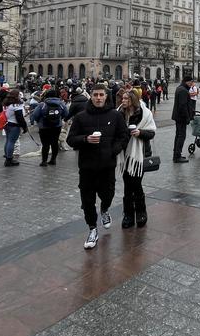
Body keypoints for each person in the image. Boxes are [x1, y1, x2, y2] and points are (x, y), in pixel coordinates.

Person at [67, 84, 130, 249]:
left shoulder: (115, 116)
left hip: (107, 165)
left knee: (108, 194)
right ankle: (92, 229)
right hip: (87, 166)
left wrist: (113, 150)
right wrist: (86, 139)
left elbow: (123, 136)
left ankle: (105, 209)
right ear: (91, 96)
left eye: (101, 95)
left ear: (106, 96)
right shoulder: (81, 117)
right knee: (87, 199)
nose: (98, 98)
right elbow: (70, 139)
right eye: (95, 95)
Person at [117, 89, 156, 228]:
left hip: (140, 155)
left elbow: (152, 132)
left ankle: (141, 212)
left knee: (136, 184)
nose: (123, 101)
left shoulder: (145, 114)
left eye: (126, 99)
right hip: (124, 154)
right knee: (127, 185)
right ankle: (128, 215)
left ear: (132, 100)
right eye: (123, 98)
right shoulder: (119, 113)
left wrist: (140, 133)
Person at [31, 89, 68, 167]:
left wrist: (39, 121)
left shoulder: (42, 104)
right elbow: (66, 114)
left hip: (44, 127)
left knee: (45, 144)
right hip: (57, 126)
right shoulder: (61, 103)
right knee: (54, 143)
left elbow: (35, 115)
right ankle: (53, 160)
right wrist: (59, 119)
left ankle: (44, 161)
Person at [2, 89, 27, 167]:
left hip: (7, 124)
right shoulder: (16, 105)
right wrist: (24, 127)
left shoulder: (7, 103)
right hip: (14, 125)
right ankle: (9, 160)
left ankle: (7, 157)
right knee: (11, 142)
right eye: (19, 95)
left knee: (8, 141)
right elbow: (20, 118)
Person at [171, 76, 192, 163]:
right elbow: (183, 106)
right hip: (181, 117)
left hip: (178, 116)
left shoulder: (179, 88)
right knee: (181, 136)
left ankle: (176, 154)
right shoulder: (183, 90)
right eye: (191, 82)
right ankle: (177, 156)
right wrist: (187, 117)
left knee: (178, 135)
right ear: (186, 81)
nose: (191, 84)